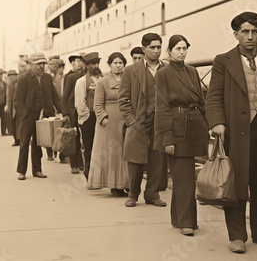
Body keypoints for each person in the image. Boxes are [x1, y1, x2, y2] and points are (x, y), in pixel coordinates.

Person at [205, 11, 257, 253]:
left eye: (255, 32)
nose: (250, 37)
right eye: (245, 32)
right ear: (236, 34)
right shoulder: (223, 61)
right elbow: (213, 97)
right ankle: (237, 235)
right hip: (235, 130)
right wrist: (217, 123)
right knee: (236, 181)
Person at [154, 35, 209, 236]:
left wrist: (210, 123)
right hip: (176, 128)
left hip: (195, 126)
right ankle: (187, 221)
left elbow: (202, 101)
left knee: (183, 175)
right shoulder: (163, 74)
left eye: (185, 48)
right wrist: (167, 137)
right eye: (178, 48)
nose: (182, 52)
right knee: (184, 176)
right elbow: (161, 107)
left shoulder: (193, 71)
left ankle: (178, 217)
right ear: (169, 51)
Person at [118, 32, 168, 207]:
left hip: (160, 122)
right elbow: (123, 99)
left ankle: (152, 194)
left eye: (159, 47)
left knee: (158, 159)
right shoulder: (131, 70)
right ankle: (133, 194)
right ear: (144, 48)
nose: (156, 51)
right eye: (152, 47)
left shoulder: (166, 68)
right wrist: (131, 120)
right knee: (135, 160)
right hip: (138, 122)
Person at [14, 52, 64, 180]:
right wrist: (24, 114)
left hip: (44, 117)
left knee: (38, 143)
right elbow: (18, 101)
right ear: (31, 64)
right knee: (24, 143)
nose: (42, 66)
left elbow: (55, 97)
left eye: (43, 63)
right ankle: (22, 171)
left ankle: (37, 170)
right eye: (38, 64)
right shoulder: (23, 78)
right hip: (28, 116)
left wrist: (64, 112)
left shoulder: (47, 78)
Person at [88, 52, 130, 196]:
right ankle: (114, 186)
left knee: (125, 153)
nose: (118, 66)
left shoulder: (129, 79)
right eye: (115, 63)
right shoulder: (103, 82)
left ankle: (126, 183)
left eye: (120, 63)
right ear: (110, 65)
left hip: (126, 121)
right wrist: (104, 119)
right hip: (109, 124)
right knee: (112, 154)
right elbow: (97, 105)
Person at [74, 52, 102, 180]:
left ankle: (99, 175)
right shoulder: (81, 81)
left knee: (101, 148)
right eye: (92, 64)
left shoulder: (102, 79)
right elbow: (79, 103)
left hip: (102, 117)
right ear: (86, 65)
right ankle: (89, 174)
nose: (96, 66)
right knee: (89, 148)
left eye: (97, 63)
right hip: (89, 118)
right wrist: (86, 118)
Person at [62, 54, 86, 174]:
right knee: (74, 137)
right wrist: (65, 113)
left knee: (85, 138)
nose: (80, 63)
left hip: (85, 110)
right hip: (73, 111)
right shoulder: (70, 77)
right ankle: (74, 164)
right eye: (78, 61)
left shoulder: (92, 76)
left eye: (82, 61)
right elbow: (65, 96)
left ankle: (82, 163)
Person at [5, 70, 19, 146]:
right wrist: (7, 105)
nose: (11, 77)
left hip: (17, 107)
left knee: (18, 124)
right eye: (9, 75)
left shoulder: (18, 83)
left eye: (13, 75)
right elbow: (8, 97)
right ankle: (16, 139)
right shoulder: (9, 84)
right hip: (10, 107)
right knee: (13, 124)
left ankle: (18, 140)